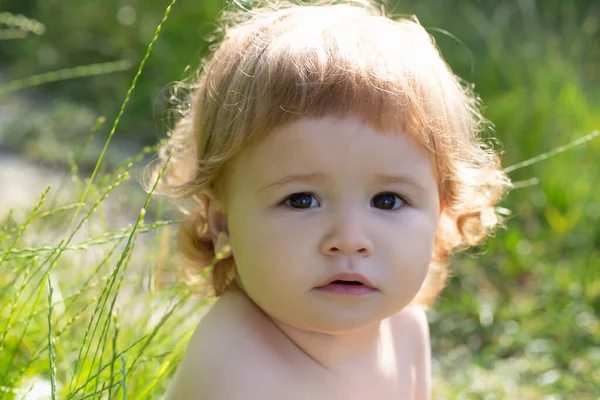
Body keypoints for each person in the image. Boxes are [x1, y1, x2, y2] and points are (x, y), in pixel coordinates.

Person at [155, 0, 512, 398]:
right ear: (223, 224)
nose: (349, 238)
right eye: (302, 200)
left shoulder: (406, 328)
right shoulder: (236, 366)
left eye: (388, 200)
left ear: (441, 214)